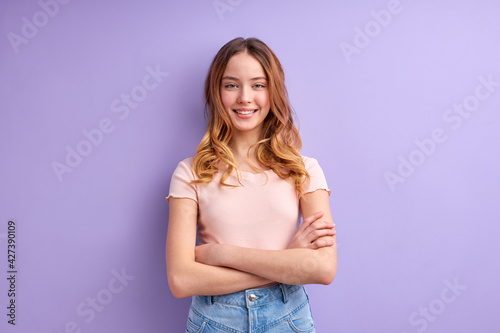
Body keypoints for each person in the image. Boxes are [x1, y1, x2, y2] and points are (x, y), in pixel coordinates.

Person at [166, 37, 337, 333]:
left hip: (288, 319)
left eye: (258, 85)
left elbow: (323, 268)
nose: (245, 97)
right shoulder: (190, 173)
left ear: (274, 92)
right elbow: (181, 281)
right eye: (231, 85)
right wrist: (286, 264)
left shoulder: (304, 170)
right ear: (217, 93)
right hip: (215, 321)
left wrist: (223, 255)